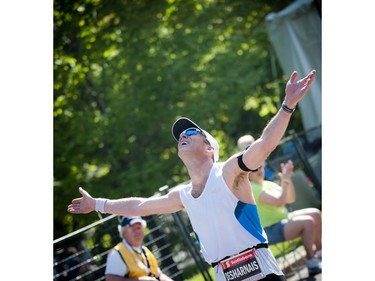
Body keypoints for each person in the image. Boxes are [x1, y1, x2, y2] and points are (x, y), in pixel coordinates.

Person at [68, 69, 316, 281]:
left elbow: (264, 144)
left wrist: (287, 106)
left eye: (190, 131)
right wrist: (97, 204)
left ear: (210, 148)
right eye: (180, 135)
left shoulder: (229, 172)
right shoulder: (183, 194)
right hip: (222, 273)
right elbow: (140, 205)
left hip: (261, 272)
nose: (183, 136)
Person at [248, 159, 322, 276]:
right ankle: (312, 262)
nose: (259, 170)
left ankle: (319, 252)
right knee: (308, 222)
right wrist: (285, 181)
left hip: (284, 220)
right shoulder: (252, 188)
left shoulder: (268, 184)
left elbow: (290, 199)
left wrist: (287, 179)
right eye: (254, 168)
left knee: (315, 214)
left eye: (260, 166)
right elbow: (279, 202)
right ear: (248, 173)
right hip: (271, 230)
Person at [105, 216, 174, 281]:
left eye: (138, 228)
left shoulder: (145, 250)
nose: (137, 231)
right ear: (124, 232)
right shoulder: (117, 253)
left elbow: (158, 274)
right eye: (132, 228)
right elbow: (110, 279)